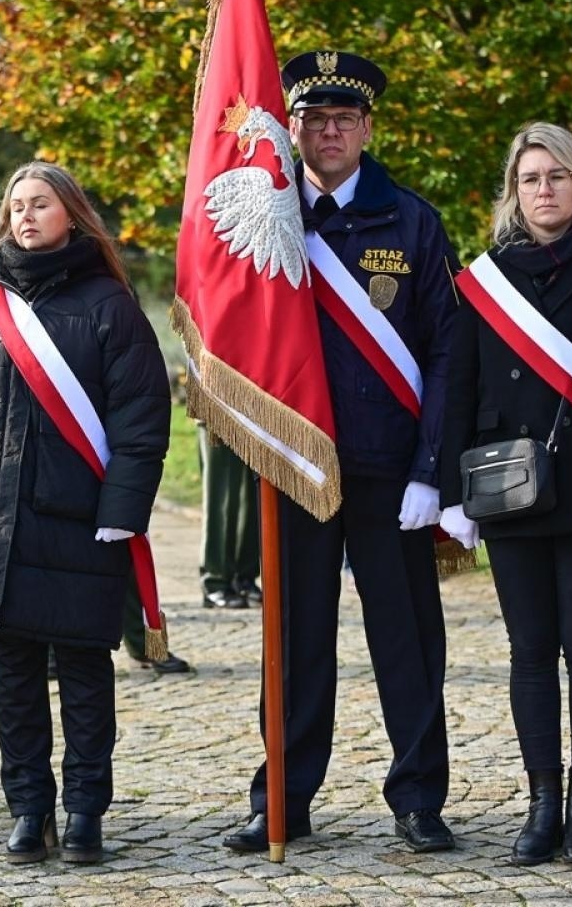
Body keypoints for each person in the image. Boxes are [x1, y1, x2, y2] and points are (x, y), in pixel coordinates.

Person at [222, 51, 460, 855]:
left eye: (344, 119)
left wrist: (434, 470)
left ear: (367, 128)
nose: (328, 131)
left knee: (408, 637)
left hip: (391, 470)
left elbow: (447, 354)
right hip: (294, 464)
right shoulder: (267, 216)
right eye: (313, 119)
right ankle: (282, 796)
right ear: (290, 127)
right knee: (293, 640)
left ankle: (420, 797)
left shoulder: (414, 222)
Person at [0, 161, 170, 866]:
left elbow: (141, 417)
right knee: (15, 677)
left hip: (84, 524)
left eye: (41, 204)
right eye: (16, 205)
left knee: (86, 676)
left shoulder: (110, 305)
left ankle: (86, 810)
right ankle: (30, 808)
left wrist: (124, 509)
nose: (26, 216)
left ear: (73, 214)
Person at [438, 121, 572, 865]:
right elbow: (459, 386)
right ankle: (540, 802)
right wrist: (450, 492)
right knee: (529, 650)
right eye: (531, 178)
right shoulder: (483, 280)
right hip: (507, 489)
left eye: (557, 176)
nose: (544, 189)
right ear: (514, 191)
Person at [196, 422, 260, 609]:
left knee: (254, 496)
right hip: (218, 404)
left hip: (256, 407)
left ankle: (245, 577)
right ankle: (215, 581)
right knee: (222, 496)